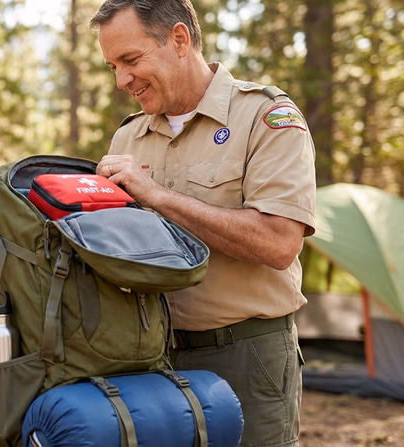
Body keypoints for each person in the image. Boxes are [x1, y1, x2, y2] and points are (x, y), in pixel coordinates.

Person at [90, 1, 316, 446]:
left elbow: (278, 243)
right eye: (112, 66)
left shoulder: (265, 117)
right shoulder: (127, 137)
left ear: (179, 40)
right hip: (150, 361)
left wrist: (156, 196)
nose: (121, 80)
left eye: (131, 60)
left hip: (246, 357)